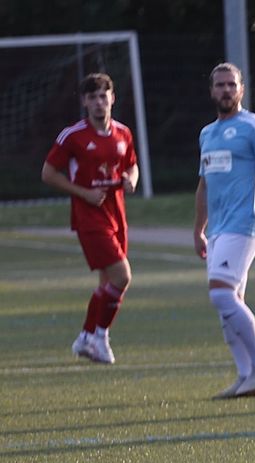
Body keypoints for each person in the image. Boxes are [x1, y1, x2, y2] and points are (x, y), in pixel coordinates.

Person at [194, 62, 255, 399]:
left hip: (245, 223)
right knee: (228, 301)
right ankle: (248, 377)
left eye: (231, 85)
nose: (225, 90)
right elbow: (204, 185)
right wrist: (198, 229)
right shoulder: (207, 133)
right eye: (220, 85)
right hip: (217, 229)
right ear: (211, 90)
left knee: (220, 293)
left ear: (241, 89)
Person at [41, 73, 139, 364]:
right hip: (89, 216)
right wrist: (82, 193)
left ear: (112, 98)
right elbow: (48, 174)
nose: (98, 102)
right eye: (92, 97)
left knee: (107, 281)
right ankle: (99, 336)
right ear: (85, 102)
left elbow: (132, 167)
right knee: (123, 276)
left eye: (103, 96)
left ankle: (86, 337)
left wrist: (131, 180)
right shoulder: (73, 136)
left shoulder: (123, 133)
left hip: (116, 213)